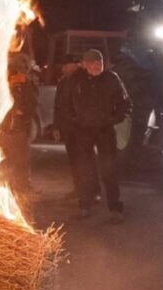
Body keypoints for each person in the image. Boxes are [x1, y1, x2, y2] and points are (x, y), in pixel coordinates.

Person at [61, 49, 131, 222]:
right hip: (82, 131)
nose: (96, 66)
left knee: (109, 169)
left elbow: (125, 103)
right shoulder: (75, 80)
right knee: (84, 169)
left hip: (105, 130)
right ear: (84, 65)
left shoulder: (111, 79)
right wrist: (73, 120)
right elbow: (65, 103)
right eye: (91, 63)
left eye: (99, 62)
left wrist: (114, 118)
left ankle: (115, 208)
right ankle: (85, 205)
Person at [0, 54, 39, 194]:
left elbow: (31, 103)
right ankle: (10, 186)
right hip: (6, 128)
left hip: (18, 128)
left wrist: (21, 112)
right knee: (7, 159)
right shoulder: (3, 81)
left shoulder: (25, 82)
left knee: (20, 160)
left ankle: (21, 187)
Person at [52, 55, 83, 198]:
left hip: (80, 128)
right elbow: (58, 106)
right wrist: (56, 127)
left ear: (75, 65)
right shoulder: (63, 82)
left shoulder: (83, 80)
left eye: (66, 65)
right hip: (68, 128)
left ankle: (92, 191)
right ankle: (78, 189)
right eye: (63, 66)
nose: (63, 68)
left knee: (83, 161)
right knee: (74, 161)